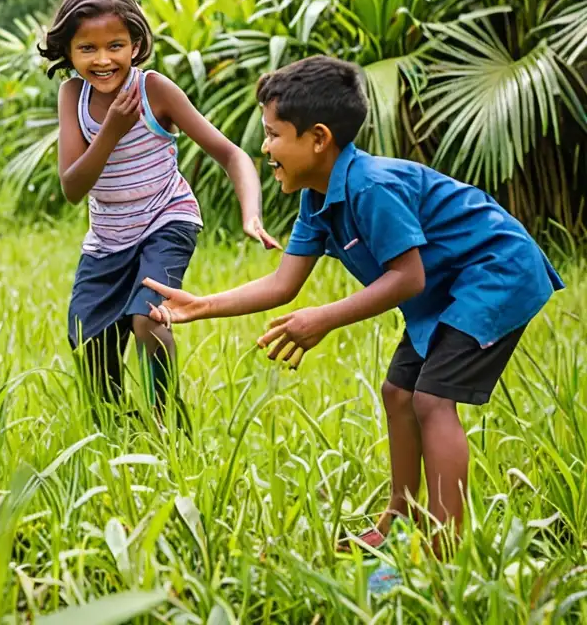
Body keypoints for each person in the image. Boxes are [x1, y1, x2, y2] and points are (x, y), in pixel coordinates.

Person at [144, 55, 564, 552]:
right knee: (399, 394)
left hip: (496, 271)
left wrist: (325, 319)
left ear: (318, 139)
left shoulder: (370, 186)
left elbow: (407, 277)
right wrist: (203, 305)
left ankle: (444, 549)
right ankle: (399, 519)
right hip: (451, 283)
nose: (265, 147)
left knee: (431, 399)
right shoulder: (317, 196)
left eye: (274, 134)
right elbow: (283, 285)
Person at [40, 0, 277, 426]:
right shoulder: (72, 95)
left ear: (135, 43)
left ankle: (168, 419)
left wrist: (252, 213)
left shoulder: (155, 91)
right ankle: (117, 426)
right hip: (108, 238)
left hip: (167, 220)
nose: (104, 59)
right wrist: (110, 131)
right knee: (86, 339)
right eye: (87, 49)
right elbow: (72, 188)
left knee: (148, 318)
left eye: (115, 45)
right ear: (68, 51)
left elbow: (231, 154)